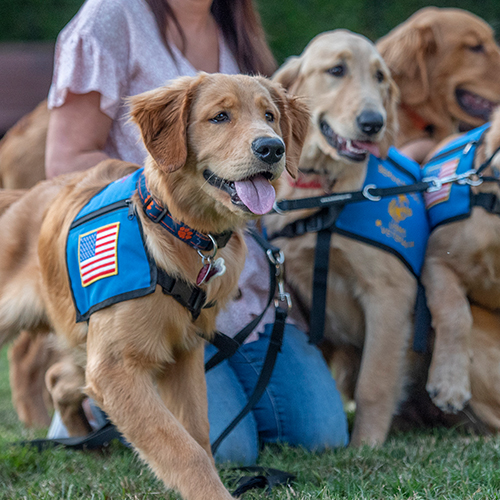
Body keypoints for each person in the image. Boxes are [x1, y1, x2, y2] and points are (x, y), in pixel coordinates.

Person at [45, 0, 349, 464]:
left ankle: (97, 382)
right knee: (229, 451)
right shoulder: (110, 19)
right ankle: (99, 376)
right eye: (221, 116)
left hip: (233, 280)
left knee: (321, 433)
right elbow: (65, 164)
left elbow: (266, 143)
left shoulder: (237, 25)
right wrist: (175, 190)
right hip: (144, 277)